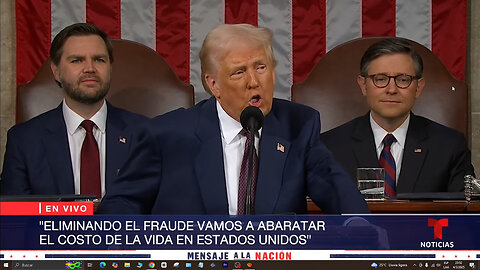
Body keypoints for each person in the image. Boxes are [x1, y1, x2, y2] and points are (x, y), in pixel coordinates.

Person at [98, 24, 368, 215]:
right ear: (213, 84)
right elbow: (121, 203)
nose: (254, 82)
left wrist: (362, 226)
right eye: (239, 72)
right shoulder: (166, 134)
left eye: (261, 67)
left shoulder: (298, 125)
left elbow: (335, 187)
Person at [0, 23, 147, 198]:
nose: (90, 68)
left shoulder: (145, 134)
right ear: (56, 72)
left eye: (99, 59)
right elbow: (16, 220)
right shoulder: (24, 141)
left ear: (110, 68)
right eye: (77, 60)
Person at [321, 38, 474, 194]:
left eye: (403, 79)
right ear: (363, 85)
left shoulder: (449, 146)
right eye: (380, 79)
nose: (392, 89)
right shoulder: (329, 147)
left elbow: (463, 214)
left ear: (418, 87)